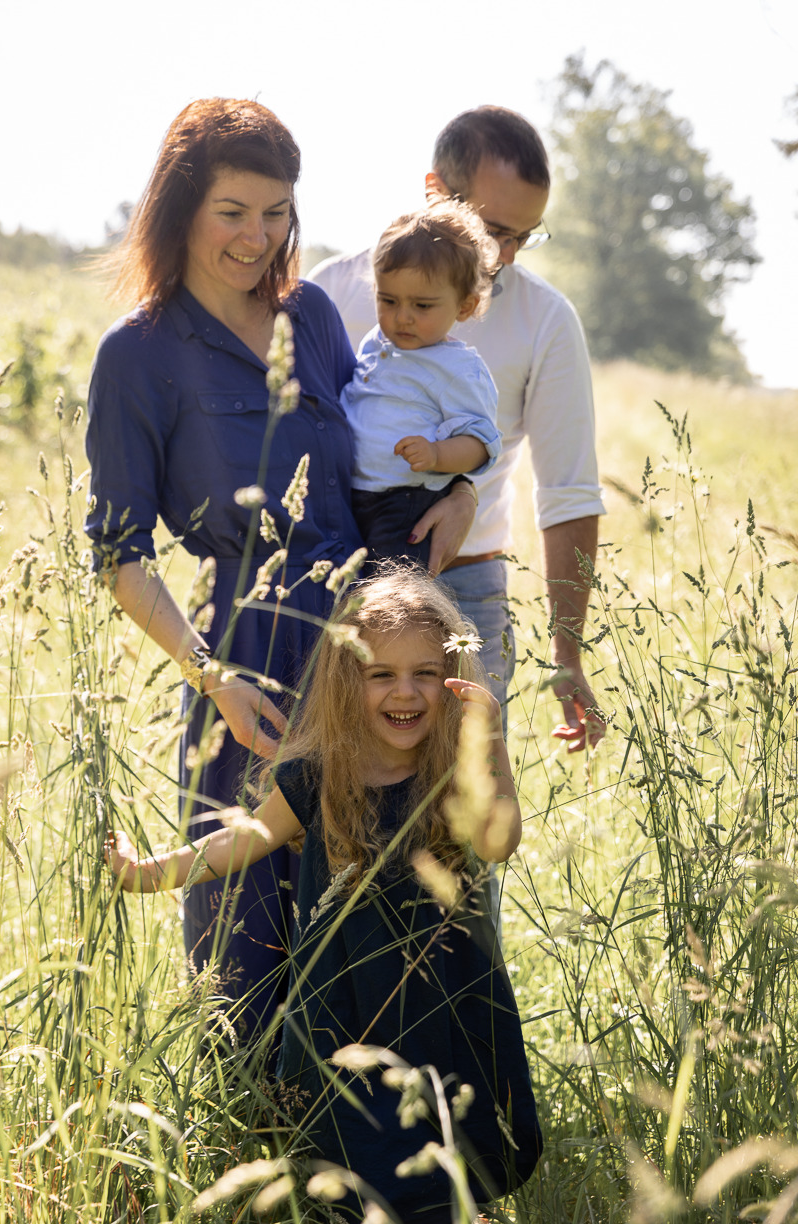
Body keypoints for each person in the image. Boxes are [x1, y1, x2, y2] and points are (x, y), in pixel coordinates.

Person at [84, 98, 475, 1039]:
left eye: (276, 213)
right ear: (181, 207)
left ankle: (372, 1157)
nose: (259, 238)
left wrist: (461, 493)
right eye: (233, 212)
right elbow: (119, 556)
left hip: (370, 655)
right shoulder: (138, 357)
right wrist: (210, 677)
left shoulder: (311, 316)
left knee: (379, 919)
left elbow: (377, 452)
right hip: (246, 664)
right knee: (245, 937)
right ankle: (250, 1154)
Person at [109, 567, 542, 1224]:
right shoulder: (320, 773)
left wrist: (490, 737)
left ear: (452, 679)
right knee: (354, 1166)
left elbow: (500, 839)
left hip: (444, 1005)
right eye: (381, 674)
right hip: (345, 1012)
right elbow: (245, 838)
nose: (405, 692)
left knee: (453, 1155)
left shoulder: (456, 769)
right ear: (348, 680)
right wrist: (149, 871)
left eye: (426, 673)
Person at [309, 105, 607, 748]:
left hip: (468, 585)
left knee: (464, 808)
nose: (503, 255)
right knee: (335, 801)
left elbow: (569, 491)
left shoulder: (546, 319)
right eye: (493, 228)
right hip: (334, 578)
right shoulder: (332, 292)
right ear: (433, 191)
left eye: (525, 236)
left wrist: (567, 656)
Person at [343, 199, 502, 567]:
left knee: (393, 599)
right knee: (346, 597)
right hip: (352, 493)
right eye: (388, 300)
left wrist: (436, 455)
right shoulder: (375, 343)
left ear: (464, 306)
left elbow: (480, 442)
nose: (403, 317)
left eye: (422, 306)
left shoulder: (459, 367)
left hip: (404, 502)